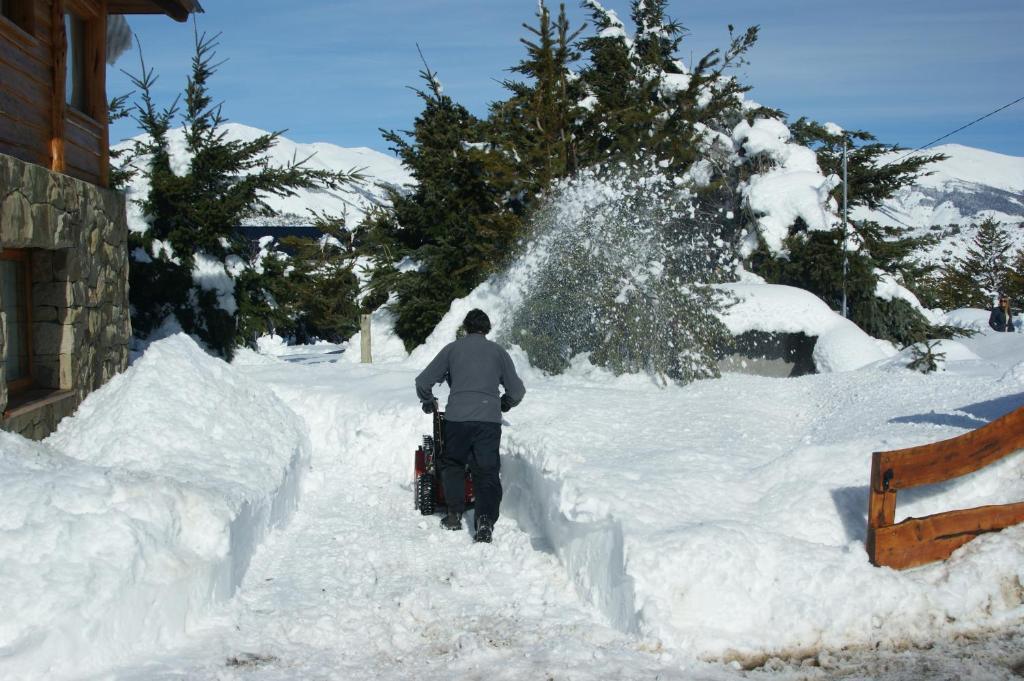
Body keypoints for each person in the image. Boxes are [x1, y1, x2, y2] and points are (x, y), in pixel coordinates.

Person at [415, 309, 526, 543]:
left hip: (457, 419)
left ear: (466, 328)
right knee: (486, 471)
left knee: (453, 463)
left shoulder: (452, 349)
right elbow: (517, 391)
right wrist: (503, 404)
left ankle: (454, 514)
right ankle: (485, 521)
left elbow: (423, 381)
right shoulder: (498, 352)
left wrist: (428, 400)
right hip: (488, 420)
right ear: (487, 329)